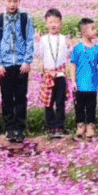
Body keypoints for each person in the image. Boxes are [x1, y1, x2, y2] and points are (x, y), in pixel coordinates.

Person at [0, 0, 34, 143]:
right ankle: (10, 129)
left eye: (15, 1)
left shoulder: (26, 18)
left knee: (21, 98)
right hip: (5, 65)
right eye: (9, 1)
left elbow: (30, 40)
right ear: (4, 1)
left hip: (21, 65)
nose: (12, 4)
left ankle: (20, 129)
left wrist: (27, 61)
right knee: (7, 98)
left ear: (19, 1)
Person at [70, 17, 98, 141]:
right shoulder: (78, 48)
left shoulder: (97, 48)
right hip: (80, 84)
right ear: (84, 32)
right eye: (93, 28)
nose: (95, 31)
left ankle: (90, 126)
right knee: (79, 107)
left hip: (92, 84)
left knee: (91, 106)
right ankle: (80, 126)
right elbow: (73, 66)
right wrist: (73, 81)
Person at [36, 8, 69, 139]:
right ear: (46, 24)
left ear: (61, 23)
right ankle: (51, 127)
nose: (53, 24)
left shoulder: (64, 39)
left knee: (60, 102)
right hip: (48, 75)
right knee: (48, 102)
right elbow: (38, 55)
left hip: (60, 74)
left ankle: (60, 127)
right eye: (50, 22)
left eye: (56, 21)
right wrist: (36, 41)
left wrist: (70, 46)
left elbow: (69, 55)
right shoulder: (43, 39)